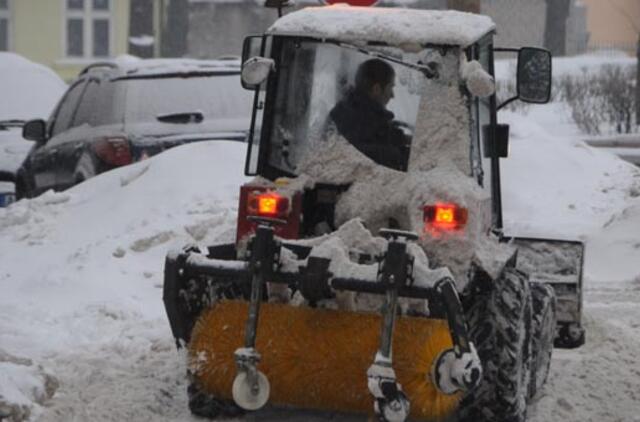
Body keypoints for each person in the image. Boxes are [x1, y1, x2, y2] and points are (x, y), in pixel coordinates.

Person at [329, 58, 410, 171]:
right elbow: (362, 151)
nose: (392, 95)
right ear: (376, 89)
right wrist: (399, 156)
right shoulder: (357, 118)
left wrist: (402, 138)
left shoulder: (354, 110)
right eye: (390, 88)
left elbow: (379, 134)